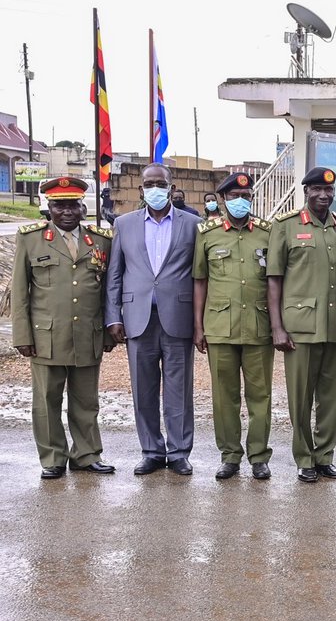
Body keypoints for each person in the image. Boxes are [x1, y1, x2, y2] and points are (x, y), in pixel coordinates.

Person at [13, 177, 116, 479]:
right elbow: (20, 292)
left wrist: (109, 332)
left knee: (86, 401)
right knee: (47, 401)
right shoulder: (30, 239)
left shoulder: (100, 240)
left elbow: (108, 290)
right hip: (47, 335)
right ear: (49, 208)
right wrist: (22, 335)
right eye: (60, 205)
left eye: (73, 204)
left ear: (83, 207)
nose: (67, 211)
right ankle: (53, 458)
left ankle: (86, 455)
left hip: (88, 333)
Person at [106, 163, 202, 476]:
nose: (155, 190)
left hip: (178, 317)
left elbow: (201, 276)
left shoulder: (193, 224)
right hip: (137, 318)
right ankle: (151, 451)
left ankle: (178, 453)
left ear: (172, 188)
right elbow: (115, 275)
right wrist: (113, 316)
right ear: (141, 190)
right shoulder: (124, 224)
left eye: (161, 184)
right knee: (143, 390)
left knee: (179, 390)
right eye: (149, 184)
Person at [267, 167, 336, 483]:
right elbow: (274, 280)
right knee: (300, 397)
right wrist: (277, 327)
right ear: (306, 191)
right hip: (299, 326)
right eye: (317, 189)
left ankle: (324, 456)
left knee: (331, 398)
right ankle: (304, 457)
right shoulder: (286, 227)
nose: (324, 195)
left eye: (328, 190)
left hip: (335, 326)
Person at [193, 172, 274, 481]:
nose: (242, 201)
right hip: (219, 326)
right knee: (224, 396)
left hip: (258, 325)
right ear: (223, 199)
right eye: (236, 196)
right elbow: (200, 281)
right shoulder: (207, 234)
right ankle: (229, 455)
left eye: (247, 196)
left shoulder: (267, 232)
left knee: (260, 395)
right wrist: (197, 327)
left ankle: (258, 456)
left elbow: (275, 281)